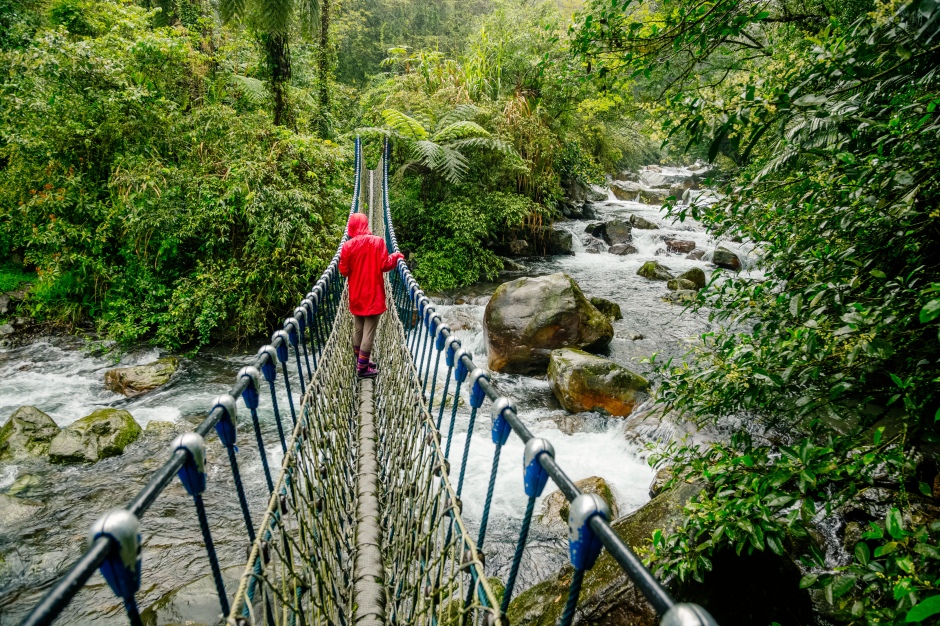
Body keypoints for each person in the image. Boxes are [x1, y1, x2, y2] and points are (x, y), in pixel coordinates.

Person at [338, 213, 404, 378]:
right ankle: (362, 368)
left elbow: (343, 271)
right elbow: (385, 265)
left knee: (359, 329)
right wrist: (396, 256)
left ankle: (360, 360)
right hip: (373, 295)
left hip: (356, 295)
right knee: (369, 332)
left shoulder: (347, 246)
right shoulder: (378, 242)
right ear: (366, 224)